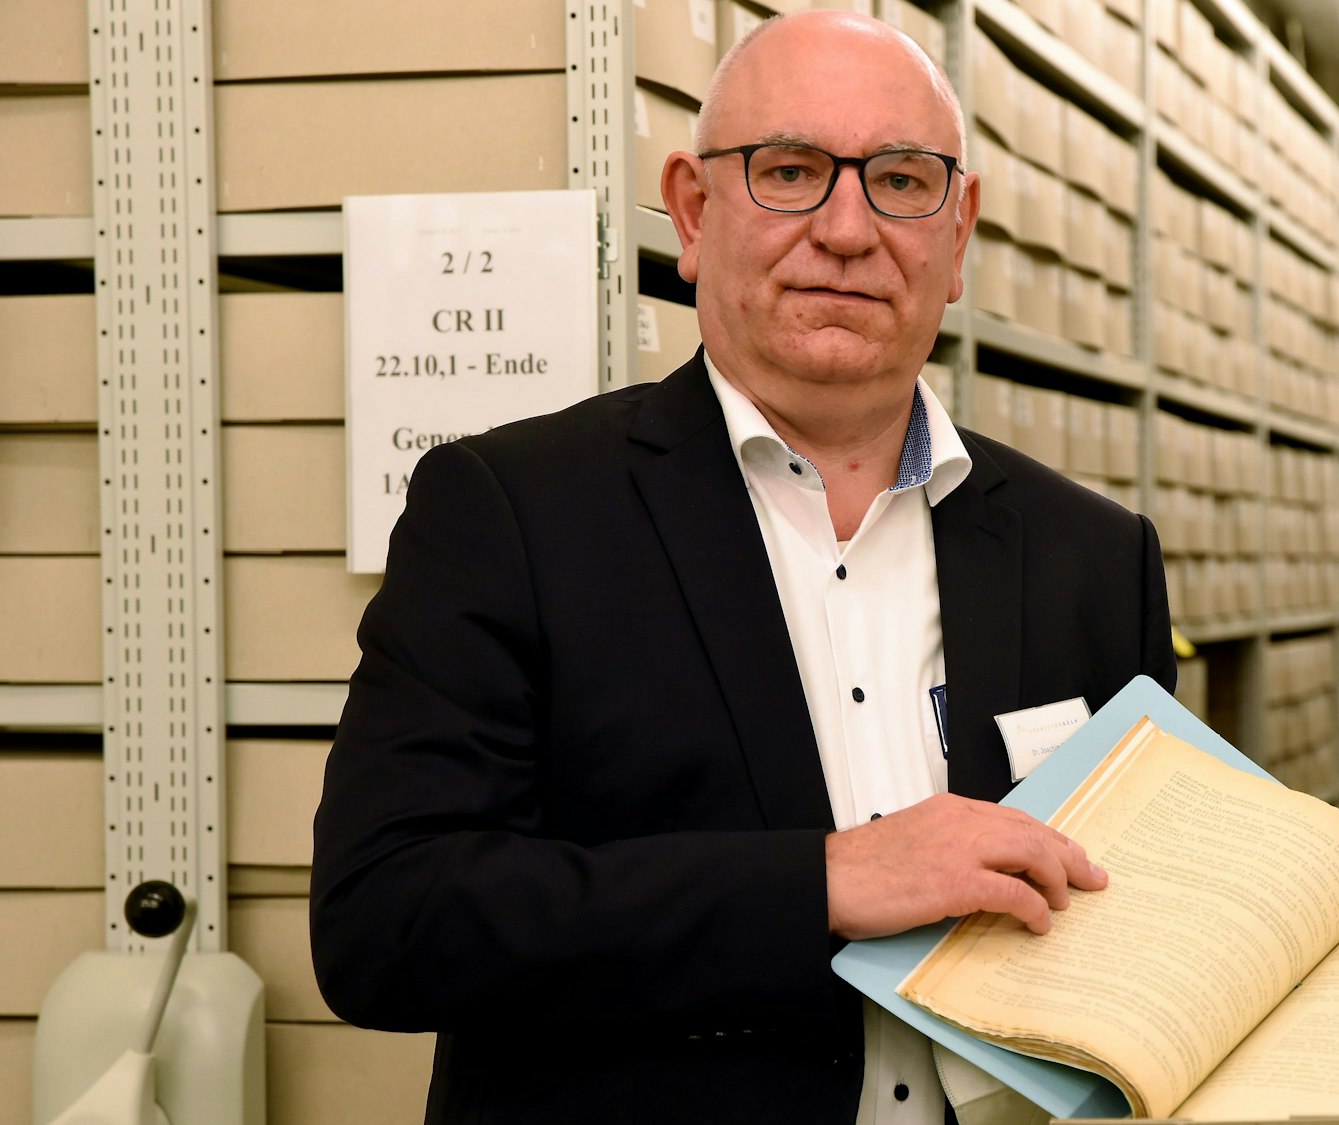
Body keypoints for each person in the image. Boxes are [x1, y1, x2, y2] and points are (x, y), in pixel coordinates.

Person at [310, 11, 1174, 1124]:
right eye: (791, 172)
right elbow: (388, 924)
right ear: (692, 207)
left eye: (902, 182)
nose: (848, 229)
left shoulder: (1094, 557)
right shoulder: (514, 512)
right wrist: (820, 883)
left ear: (958, 235)